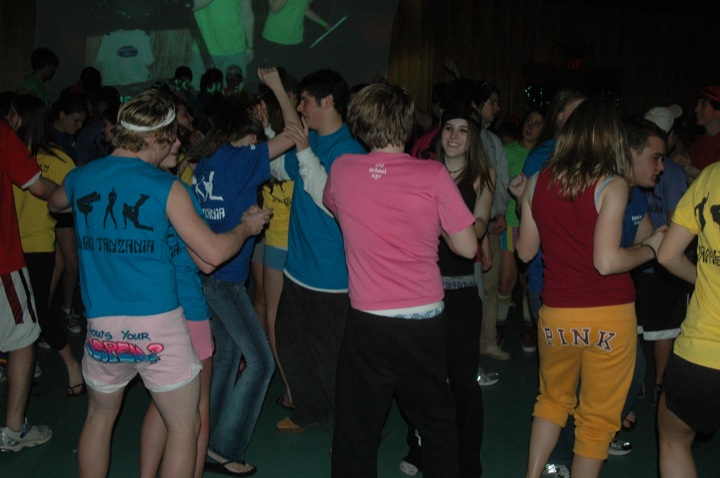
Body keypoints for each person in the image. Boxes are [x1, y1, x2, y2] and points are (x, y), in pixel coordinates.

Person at [47, 90, 271, 478]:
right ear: (153, 138)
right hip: (157, 326)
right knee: (184, 427)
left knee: (99, 417)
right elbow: (213, 254)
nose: (177, 145)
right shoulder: (166, 188)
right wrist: (246, 227)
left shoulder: (82, 176)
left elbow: (54, 202)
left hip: (102, 325)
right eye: (171, 138)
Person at [324, 82, 478, 478]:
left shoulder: (342, 168)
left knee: (356, 430)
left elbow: (337, 209)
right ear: (408, 124)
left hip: (368, 321)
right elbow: (467, 248)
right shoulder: (433, 174)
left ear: (360, 124)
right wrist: (432, 223)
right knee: (437, 422)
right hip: (423, 321)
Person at [515, 100, 666, 478]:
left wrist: (525, 204)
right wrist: (650, 249)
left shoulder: (538, 181)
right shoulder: (612, 184)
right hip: (608, 316)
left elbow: (525, 251)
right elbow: (606, 261)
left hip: (556, 313)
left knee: (552, 400)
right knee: (596, 422)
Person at [189, 67, 299, 476]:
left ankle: (208, 438)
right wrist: (278, 89)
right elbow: (295, 134)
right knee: (261, 362)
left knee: (227, 356)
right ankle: (225, 448)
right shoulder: (243, 158)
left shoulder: (207, 160)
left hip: (208, 277)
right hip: (225, 282)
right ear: (247, 131)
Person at [400, 105, 495, 477]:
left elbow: (479, 226)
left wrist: (448, 221)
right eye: (449, 129)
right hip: (421, 289)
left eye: (463, 130)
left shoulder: (483, 175)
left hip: (460, 292)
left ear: (473, 138)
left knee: (462, 382)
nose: (454, 136)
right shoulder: (424, 170)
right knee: (422, 378)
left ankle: (469, 462)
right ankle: (419, 448)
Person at [270, 69, 365, 433]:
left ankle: (353, 430)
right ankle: (310, 410)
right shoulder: (311, 142)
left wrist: (303, 149)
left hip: (331, 277)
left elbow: (332, 202)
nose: (300, 108)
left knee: (332, 360)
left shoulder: (348, 151)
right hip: (298, 268)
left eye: (305, 101)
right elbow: (279, 168)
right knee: (292, 345)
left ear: (328, 101)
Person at [12, 94, 84, 396]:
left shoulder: (57, 160)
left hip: (38, 247)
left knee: (38, 312)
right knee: (17, 317)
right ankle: (24, 364)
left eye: (12, 115)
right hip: (8, 247)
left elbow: (73, 201)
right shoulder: (10, 153)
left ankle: (71, 366)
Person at [656, 155, 720, 478]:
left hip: (702, 352)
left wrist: (704, 280)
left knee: (674, 441)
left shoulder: (712, 177)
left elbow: (667, 254)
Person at [0, 121, 56, 453]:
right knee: (23, 336)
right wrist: (71, 195)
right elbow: (38, 186)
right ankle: (14, 429)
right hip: (3, 261)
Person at [636, 109, 690, 405]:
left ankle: (637, 384)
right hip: (663, 263)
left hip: (637, 260)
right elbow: (675, 219)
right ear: (668, 137)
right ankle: (658, 385)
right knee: (664, 330)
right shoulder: (673, 172)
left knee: (638, 328)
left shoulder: (630, 168)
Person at [497, 108, 544, 353]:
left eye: (537, 124)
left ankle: (528, 329)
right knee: (506, 280)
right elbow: (498, 185)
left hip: (535, 224)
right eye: (529, 121)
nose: (530, 127)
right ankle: (499, 328)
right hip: (511, 222)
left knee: (530, 280)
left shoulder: (545, 155)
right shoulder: (507, 151)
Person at [189, 0, 254, 91]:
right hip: (202, 50)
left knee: (233, 94)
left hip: (235, 50)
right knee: (197, 92)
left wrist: (250, 46)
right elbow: (191, 5)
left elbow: (247, 14)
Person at [689, 85, 720, 171]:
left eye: (703, 104)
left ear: (718, 111)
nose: (696, 109)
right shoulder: (698, 143)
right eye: (697, 104)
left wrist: (692, 170)